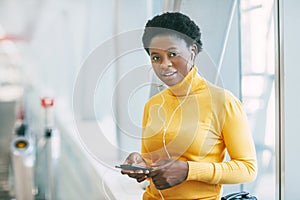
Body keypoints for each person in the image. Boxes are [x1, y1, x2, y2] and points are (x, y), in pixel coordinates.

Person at [120, 12, 257, 200]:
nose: (165, 64)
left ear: (192, 52)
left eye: (173, 54)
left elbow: (247, 168)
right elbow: (153, 162)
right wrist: (140, 163)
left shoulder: (223, 102)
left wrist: (189, 170)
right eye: (156, 57)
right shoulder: (153, 105)